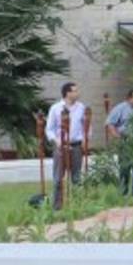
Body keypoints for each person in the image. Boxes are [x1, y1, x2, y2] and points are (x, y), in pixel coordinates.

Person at [45, 82, 86, 210]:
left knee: (77, 178)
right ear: (67, 93)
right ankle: (57, 207)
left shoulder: (81, 107)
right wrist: (56, 141)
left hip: (76, 145)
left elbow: (86, 126)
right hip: (60, 146)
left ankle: (77, 205)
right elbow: (49, 129)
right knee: (58, 178)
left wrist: (85, 139)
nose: (77, 93)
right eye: (75, 91)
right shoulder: (56, 108)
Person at [106, 89, 133, 196]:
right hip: (126, 140)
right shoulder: (120, 108)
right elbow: (110, 124)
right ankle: (122, 193)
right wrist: (117, 137)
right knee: (125, 168)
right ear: (129, 98)